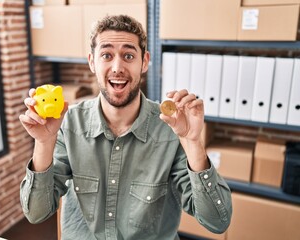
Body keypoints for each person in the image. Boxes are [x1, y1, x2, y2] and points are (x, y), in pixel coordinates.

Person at [19, 14, 232, 240]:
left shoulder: (171, 129)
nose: (117, 67)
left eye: (128, 55)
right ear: (92, 62)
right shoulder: (69, 123)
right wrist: (43, 144)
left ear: (145, 62)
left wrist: (193, 144)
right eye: (106, 55)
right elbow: (36, 213)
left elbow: (217, 222)